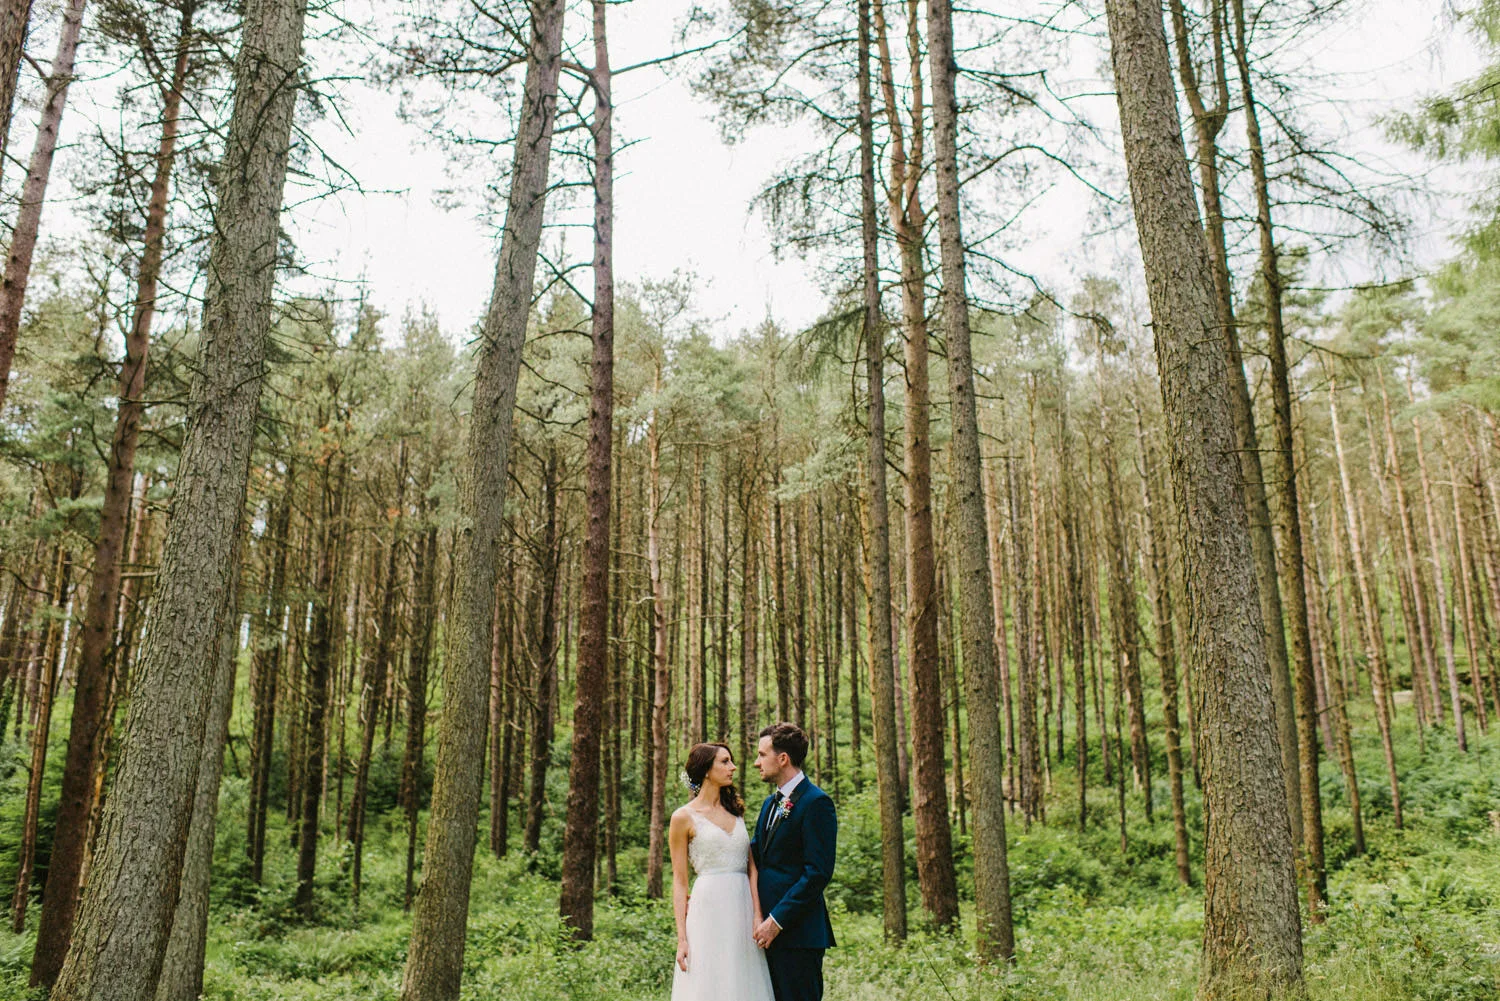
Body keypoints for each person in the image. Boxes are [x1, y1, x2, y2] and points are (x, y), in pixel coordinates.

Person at [669, 743, 776, 1001]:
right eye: (725, 761)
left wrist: (757, 914)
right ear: (707, 770)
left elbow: (751, 867)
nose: (733, 767)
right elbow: (680, 882)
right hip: (707, 910)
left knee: (742, 980)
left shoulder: (736, 811)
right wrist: (682, 938)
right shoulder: (682, 817)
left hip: (742, 908)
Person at [750, 722, 837, 1001]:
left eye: (762, 755)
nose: (756, 762)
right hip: (765, 933)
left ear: (783, 758)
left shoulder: (816, 803)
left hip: (798, 934)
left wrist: (776, 921)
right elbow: (754, 856)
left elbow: (817, 873)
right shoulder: (770, 804)